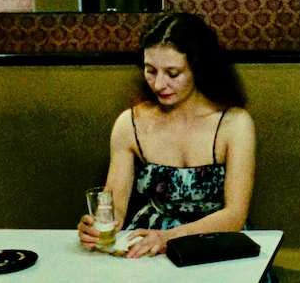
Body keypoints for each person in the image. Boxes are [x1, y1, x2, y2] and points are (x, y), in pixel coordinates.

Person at [77, 13, 254, 259]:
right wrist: (95, 227)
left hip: (216, 243)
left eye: (172, 73)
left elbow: (235, 215)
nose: (159, 84)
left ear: (197, 69)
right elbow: (115, 208)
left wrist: (168, 237)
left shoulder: (235, 124)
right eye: (151, 71)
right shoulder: (129, 124)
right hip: (151, 243)